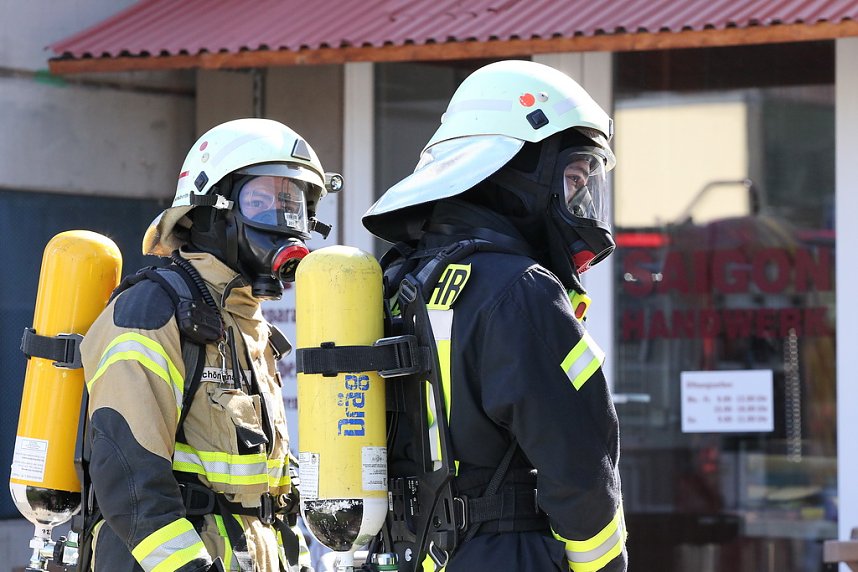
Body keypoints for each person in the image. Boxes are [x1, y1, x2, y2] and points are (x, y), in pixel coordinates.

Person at [362, 61, 627, 571]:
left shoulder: (398, 281)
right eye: (572, 178)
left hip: (410, 554)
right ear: (514, 174)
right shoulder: (519, 290)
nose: (581, 200)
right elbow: (580, 466)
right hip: (507, 553)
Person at [79, 118, 339, 571]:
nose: (287, 225)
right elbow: (130, 480)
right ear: (210, 211)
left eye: (293, 204)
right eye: (265, 202)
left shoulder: (244, 323)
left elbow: (267, 489)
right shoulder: (151, 312)